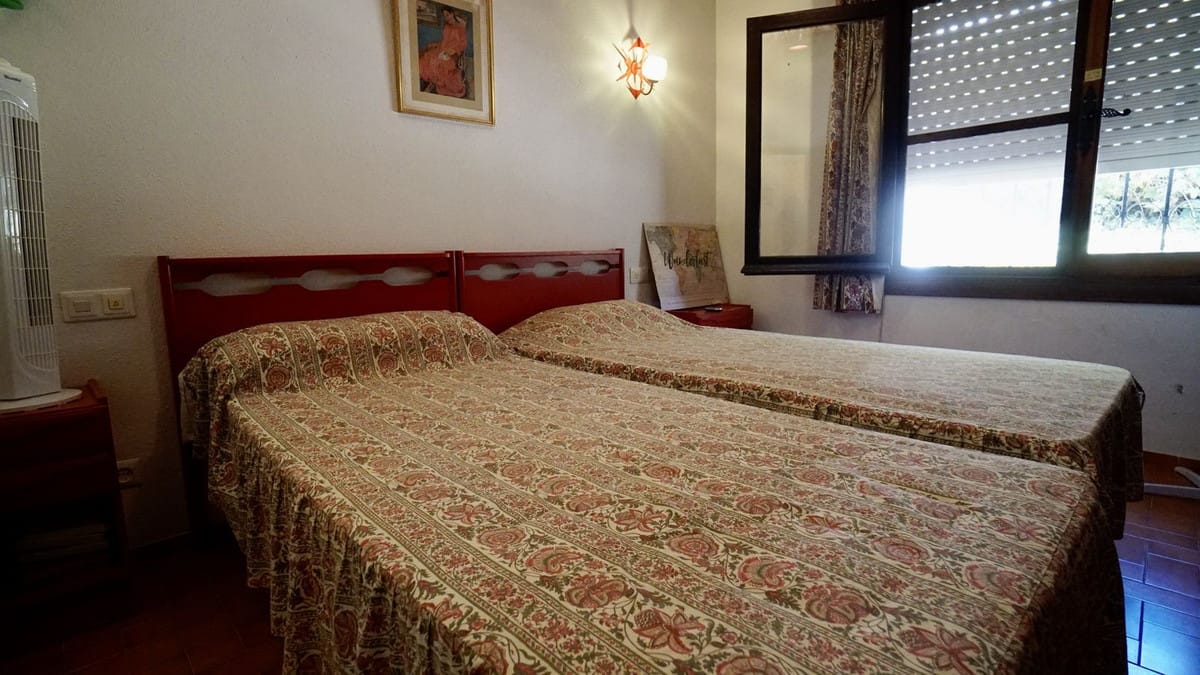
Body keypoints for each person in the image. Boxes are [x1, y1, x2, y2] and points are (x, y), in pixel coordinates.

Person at [418, 7, 469, 98]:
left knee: (440, 62)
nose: (446, 18)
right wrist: (437, 45)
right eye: (445, 16)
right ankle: (433, 81)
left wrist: (452, 52)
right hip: (443, 49)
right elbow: (445, 41)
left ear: (452, 14)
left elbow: (462, 44)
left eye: (447, 15)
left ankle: (437, 82)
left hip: (454, 53)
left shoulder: (460, 27)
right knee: (428, 57)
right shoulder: (447, 26)